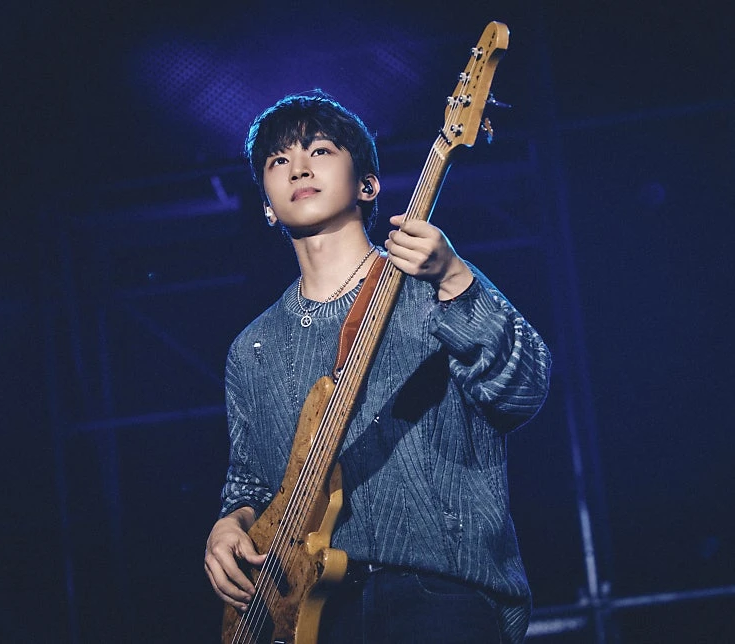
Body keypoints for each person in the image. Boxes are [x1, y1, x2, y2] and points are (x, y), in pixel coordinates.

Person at [203, 89, 551, 643]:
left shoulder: (431, 286)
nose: (298, 168)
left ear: (367, 184)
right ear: (266, 204)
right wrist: (230, 523)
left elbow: (524, 391)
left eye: (320, 151)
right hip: (314, 616)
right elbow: (251, 480)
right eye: (277, 160)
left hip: (438, 594)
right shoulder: (252, 349)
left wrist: (455, 279)